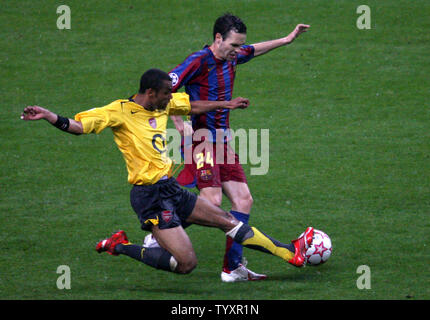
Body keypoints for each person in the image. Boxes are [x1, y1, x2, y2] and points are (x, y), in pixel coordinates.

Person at [21, 68, 314, 277]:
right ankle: (121, 246)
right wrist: (49, 116)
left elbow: (191, 106)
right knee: (186, 264)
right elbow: (79, 126)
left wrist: (226, 103)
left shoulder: (163, 104)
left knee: (227, 219)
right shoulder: (118, 111)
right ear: (150, 93)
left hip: (170, 188)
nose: (169, 101)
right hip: (149, 197)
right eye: (164, 95)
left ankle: (291, 252)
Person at [167, 13, 310, 281]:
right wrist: (178, 123)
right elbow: (164, 86)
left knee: (244, 200)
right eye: (233, 45)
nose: (237, 51)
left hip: (223, 141)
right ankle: (163, 228)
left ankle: (232, 269)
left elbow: (253, 50)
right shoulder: (198, 61)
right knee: (212, 200)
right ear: (218, 39)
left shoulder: (233, 55)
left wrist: (287, 39)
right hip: (201, 139)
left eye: (239, 45)